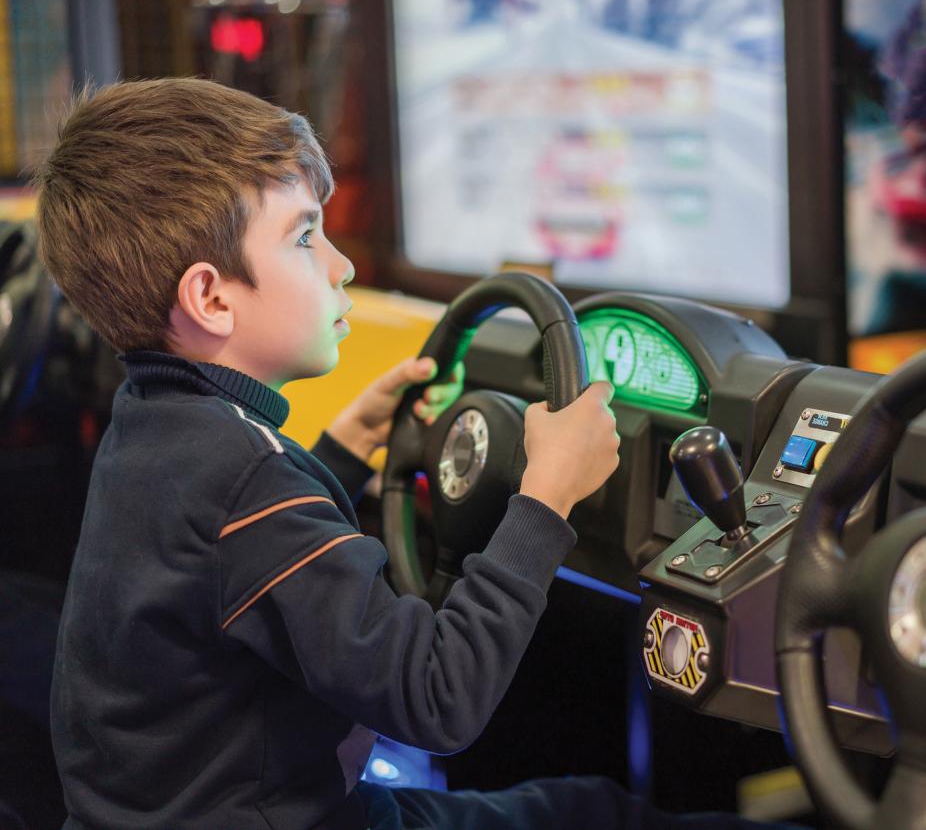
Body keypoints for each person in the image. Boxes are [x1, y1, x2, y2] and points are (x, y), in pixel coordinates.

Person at [32, 79, 799, 830]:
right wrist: (547, 495)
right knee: (592, 810)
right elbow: (437, 694)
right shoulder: (248, 478)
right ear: (211, 299)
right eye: (305, 237)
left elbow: (235, 570)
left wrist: (345, 455)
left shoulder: (154, 426)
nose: (342, 266)